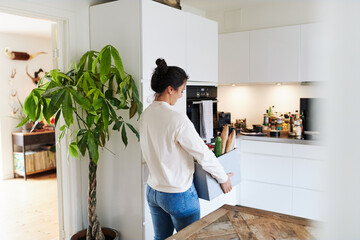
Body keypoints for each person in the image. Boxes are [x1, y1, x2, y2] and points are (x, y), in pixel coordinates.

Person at [139, 58, 233, 240]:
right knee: (190, 238)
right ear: (170, 89)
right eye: (181, 91)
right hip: (177, 194)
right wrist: (223, 178)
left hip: (153, 191)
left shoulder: (146, 114)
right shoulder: (177, 119)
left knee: (161, 237)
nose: (182, 95)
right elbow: (203, 153)